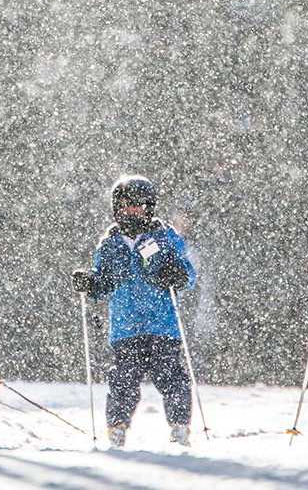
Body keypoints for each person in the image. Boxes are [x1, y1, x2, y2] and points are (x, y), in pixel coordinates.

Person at [71, 174, 197, 449]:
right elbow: (102, 283)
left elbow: (188, 274)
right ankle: (116, 428)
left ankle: (179, 426)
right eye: (126, 205)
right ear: (116, 208)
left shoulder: (164, 237)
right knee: (122, 380)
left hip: (161, 325)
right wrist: (90, 283)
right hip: (125, 327)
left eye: (138, 205)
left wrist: (176, 275)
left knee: (171, 377)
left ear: (149, 207)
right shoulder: (110, 244)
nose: (131, 211)